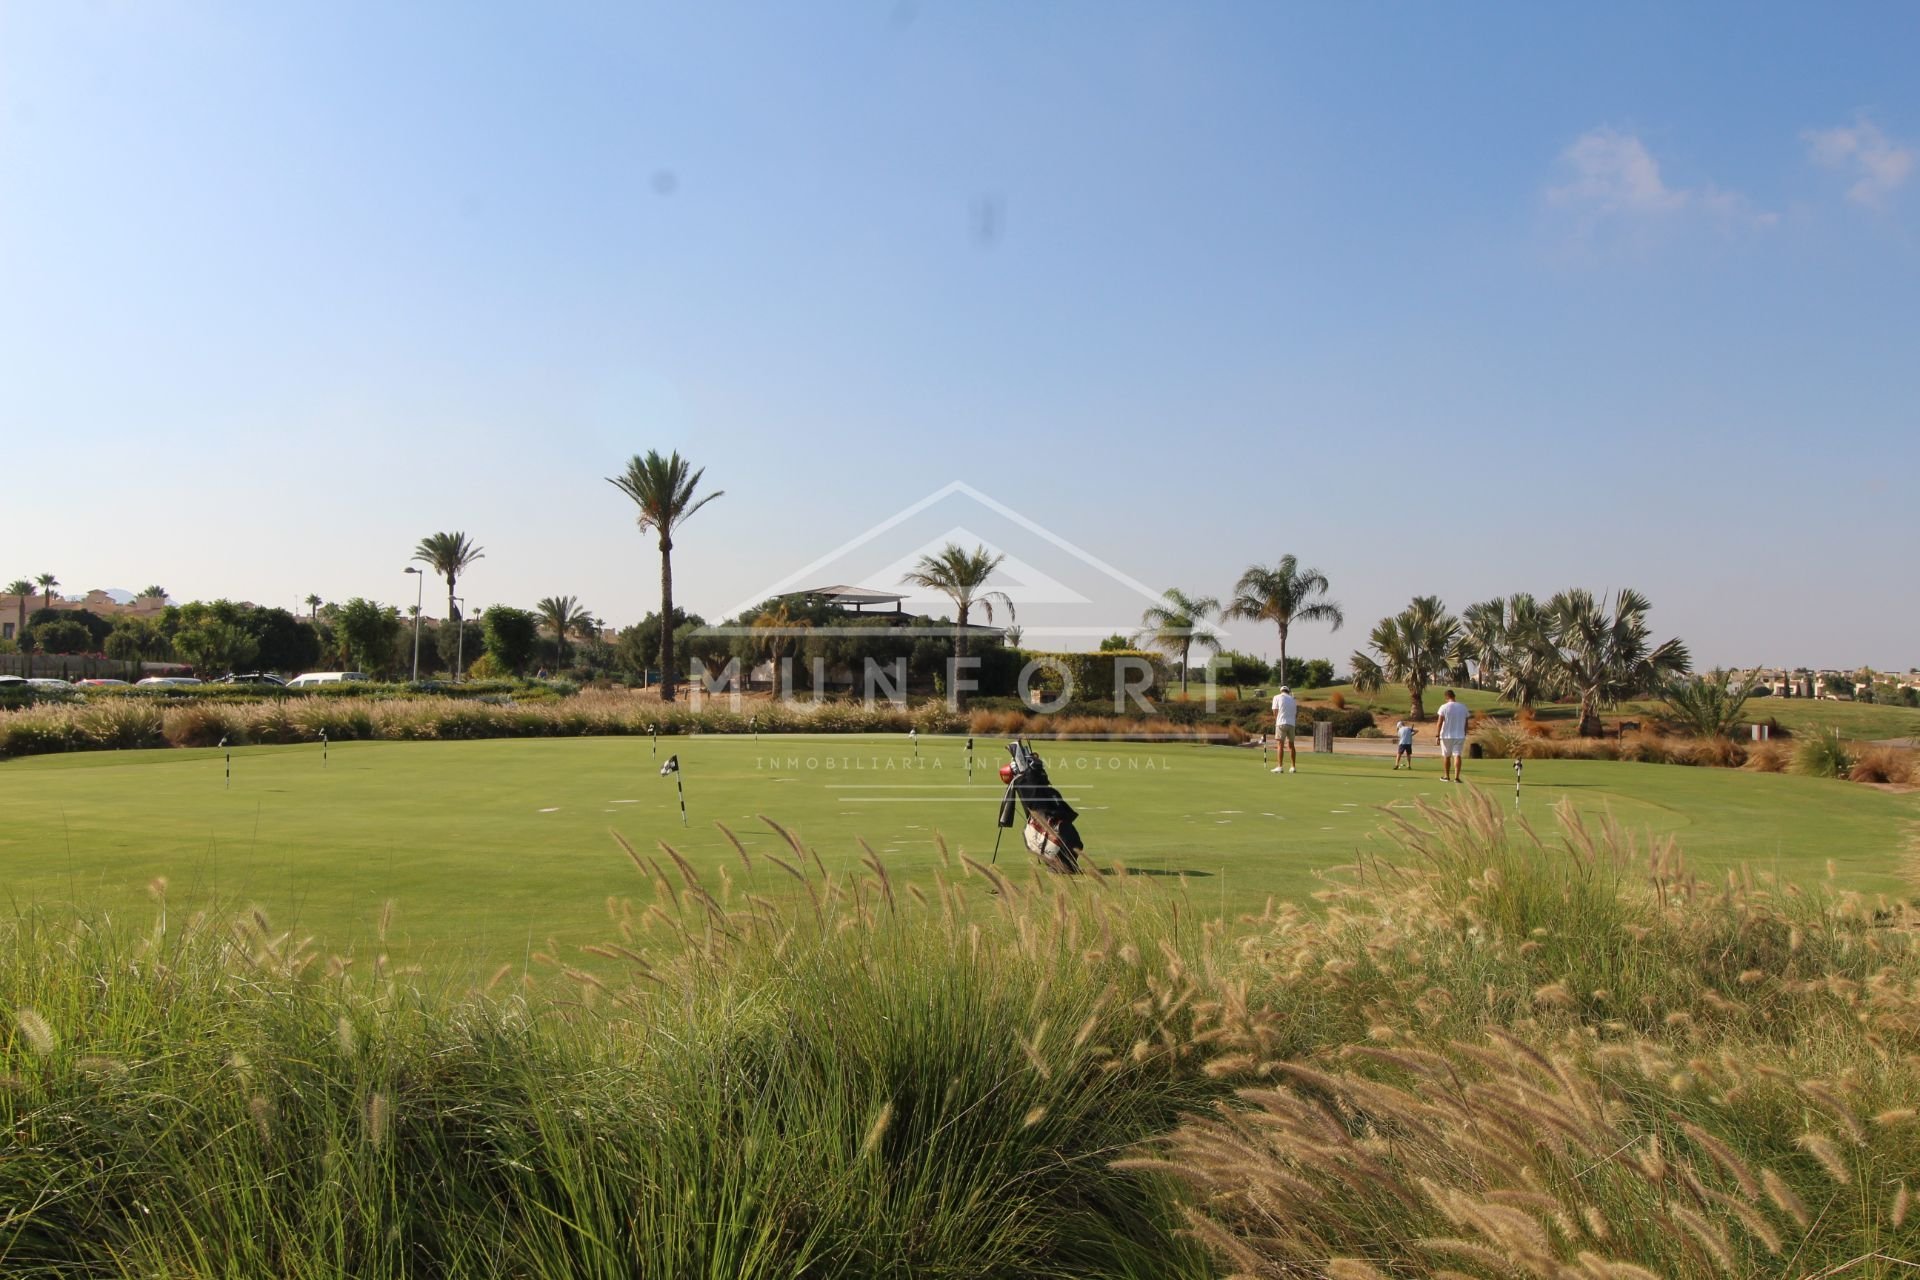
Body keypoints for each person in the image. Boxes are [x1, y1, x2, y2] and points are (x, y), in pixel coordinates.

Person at [1435, 689, 1471, 783]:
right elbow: (1466, 723)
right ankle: (1457, 777)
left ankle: (1446, 776)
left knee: (1447, 756)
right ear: (1454, 696)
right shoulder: (1463, 707)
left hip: (1446, 735)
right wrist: (1464, 733)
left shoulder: (1443, 707)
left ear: (1446, 697)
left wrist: (1437, 735)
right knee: (1457, 755)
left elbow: (1439, 722)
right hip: (1459, 735)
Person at [1270, 684, 1299, 773]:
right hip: (1292, 724)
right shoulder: (1293, 699)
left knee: (1280, 745)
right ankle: (1293, 767)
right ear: (1288, 691)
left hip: (1281, 723)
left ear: (1281, 690)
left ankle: (1280, 767)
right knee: (1291, 746)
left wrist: (1276, 721)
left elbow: (1275, 710)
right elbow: (1295, 713)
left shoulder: (1277, 697)